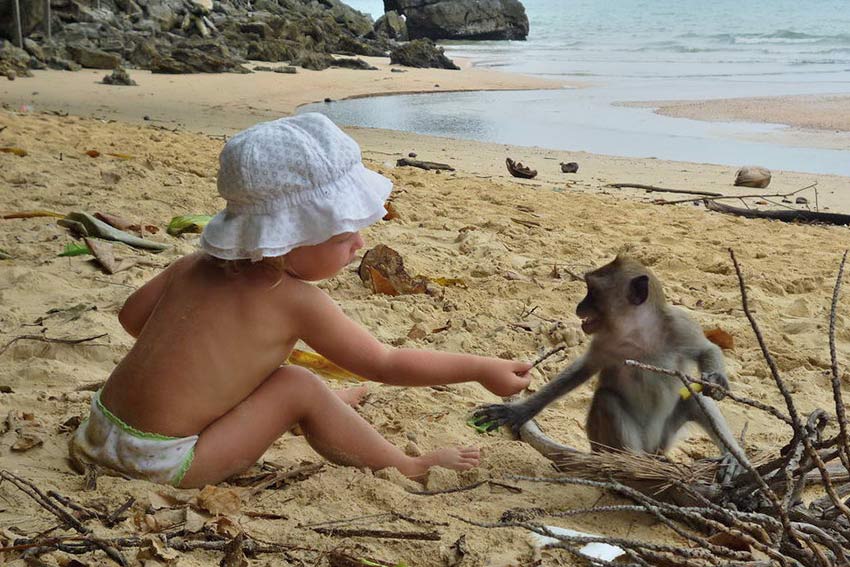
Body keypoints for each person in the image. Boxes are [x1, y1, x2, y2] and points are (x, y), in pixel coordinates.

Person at [70, 113, 532, 488]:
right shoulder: (294, 300)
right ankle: (404, 464)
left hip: (98, 431)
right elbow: (384, 363)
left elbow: (132, 319)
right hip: (162, 463)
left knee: (262, 367)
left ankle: (317, 410)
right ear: (287, 239)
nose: (359, 242)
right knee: (297, 385)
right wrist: (479, 368)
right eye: (343, 233)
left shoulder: (192, 266)